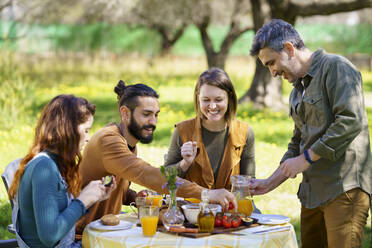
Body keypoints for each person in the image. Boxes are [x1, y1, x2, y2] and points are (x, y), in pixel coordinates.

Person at [249, 19, 371, 248]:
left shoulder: (336, 67)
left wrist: (306, 158)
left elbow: (350, 120)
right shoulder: (297, 92)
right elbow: (297, 142)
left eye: (272, 63)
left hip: (343, 190)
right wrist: (269, 183)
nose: (273, 72)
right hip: (312, 194)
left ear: (289, 48)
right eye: (267, 66)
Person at [75, 80, 236, 235]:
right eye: (146, 114)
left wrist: (133, 196)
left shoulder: (127, 142)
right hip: (83, 235)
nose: (153, 122)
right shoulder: (109, 141)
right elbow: (148, 174)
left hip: (106, 229)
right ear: (125, 113)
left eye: (156, 115)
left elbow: (109, 186)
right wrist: (206, 193)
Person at [8, 95, 116, 248]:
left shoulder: (54, 163)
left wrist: (92, 198)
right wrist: (83, 200)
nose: (88, 138)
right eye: (86, 130)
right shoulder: (44, 168)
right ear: (68, 130)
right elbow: (50, 236)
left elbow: (61, 221)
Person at [164, 67, 255, 190]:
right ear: (198, 98)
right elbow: (165, 179)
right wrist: (185, 163)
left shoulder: (245, 132)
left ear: (229, 97)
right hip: (192, 207)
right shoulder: (182, 131)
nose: (212, 106)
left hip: (231, 205)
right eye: (206, 100)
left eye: (219, 100)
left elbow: (249, 183)